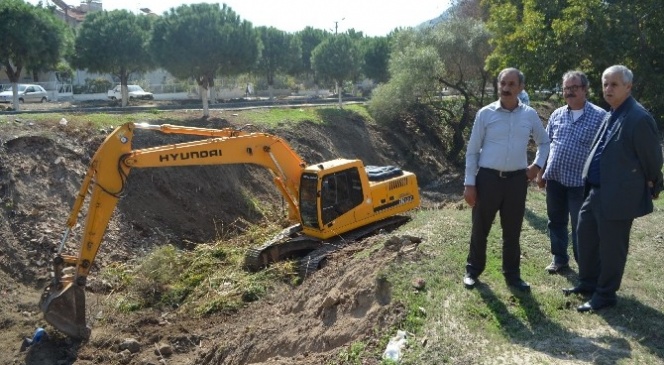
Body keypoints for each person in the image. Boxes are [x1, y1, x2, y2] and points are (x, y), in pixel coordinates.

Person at [565, 65, 663, 312]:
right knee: (584, 236)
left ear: (628, 87)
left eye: (614, 84)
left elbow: (652, 158)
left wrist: (653, 181)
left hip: (619, 195)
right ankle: (588, 283)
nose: (608, 89)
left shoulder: (639, 118)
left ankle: (606, 294)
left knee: (612, 248)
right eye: (605, 83)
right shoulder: (612, 113)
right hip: (596, 191)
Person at [463, 67, 550, 291]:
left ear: (520, 88)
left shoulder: (529, 114)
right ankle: (473, 270)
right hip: (488, 179)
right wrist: (469, 183)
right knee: (480, 228)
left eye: (511, 84)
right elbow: (472, 151)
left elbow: (545, 142)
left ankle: (512, 276)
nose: (506, 88)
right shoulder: (485, 114)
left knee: (512, 231)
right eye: (503, 83)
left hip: (516, 182)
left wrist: (537, 166)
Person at [536, 71, 606, 273]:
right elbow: (546, 146)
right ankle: (559, 259)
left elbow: (607, 152)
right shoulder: (557, 114)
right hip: (555, 181)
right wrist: (541, 174)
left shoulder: (601, 117)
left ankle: (586, 265)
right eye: (566, 88)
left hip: (581, 185)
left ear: (585, 89)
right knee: (555, 222)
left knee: (581, 228)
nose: (569, 92)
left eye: (574, 88)